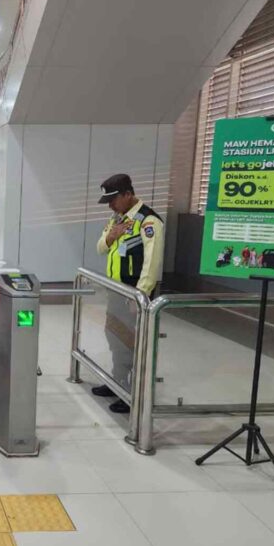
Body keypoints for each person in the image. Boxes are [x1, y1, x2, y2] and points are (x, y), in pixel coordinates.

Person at [94, 174, 165, 414]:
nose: (110, 206)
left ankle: (132, 393)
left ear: (128, 194)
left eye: (113, 200)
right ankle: (117, 382)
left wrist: (140, 296)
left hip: (134, 295)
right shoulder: (117, 219)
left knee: (133, 343)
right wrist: (111, 236)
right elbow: (100, 248)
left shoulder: (148, 221)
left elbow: (152, 263)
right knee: (115, 337)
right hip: (116, 291)